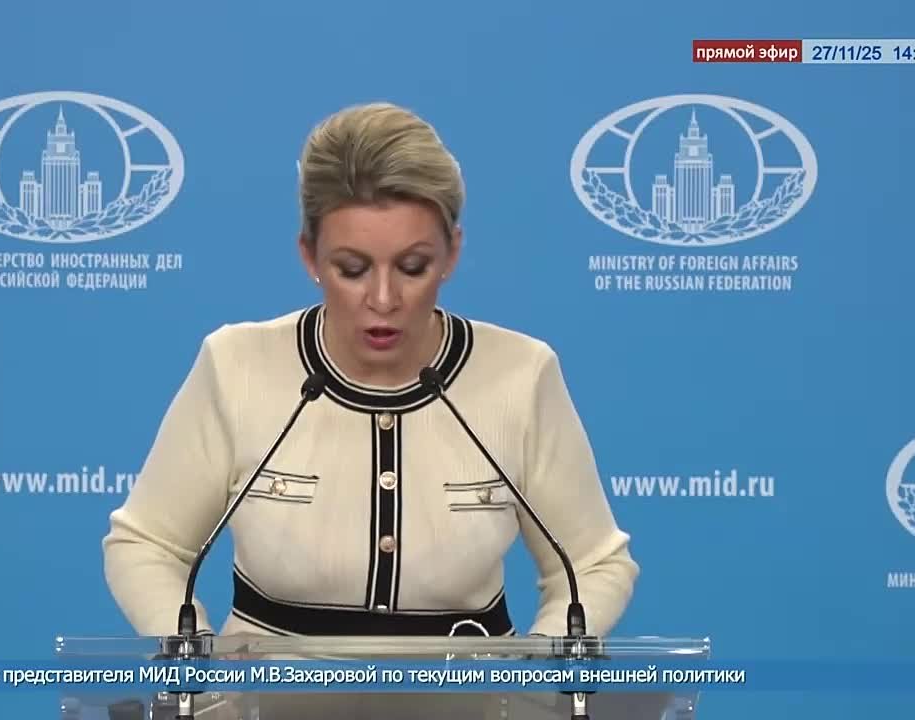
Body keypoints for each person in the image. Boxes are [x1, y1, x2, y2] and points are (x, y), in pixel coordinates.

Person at [102, 102, 638, 640]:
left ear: (452, 253)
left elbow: (594, 565)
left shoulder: (521, 375)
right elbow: (146, 545)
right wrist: (196, 656)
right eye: (352, 269)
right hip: (267, 687)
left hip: (469, 685)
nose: (383, 299)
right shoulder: (235, 366)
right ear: (309, 256)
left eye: (413, 267)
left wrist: (538, 666)